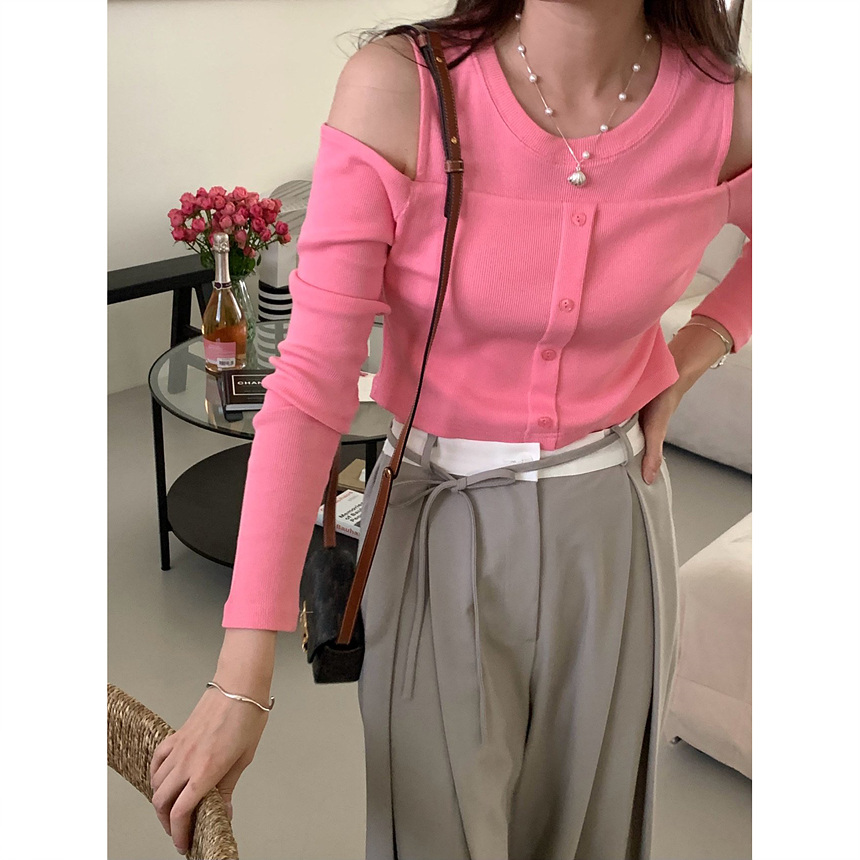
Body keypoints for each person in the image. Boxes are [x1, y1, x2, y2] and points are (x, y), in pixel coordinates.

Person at [149, 0, 751, 857]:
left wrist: (696, 348)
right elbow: (313, 385)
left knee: (595, 833)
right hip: (438, 527)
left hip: (615, 529)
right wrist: (241, 677)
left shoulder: (724, 109)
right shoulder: (402, 91)